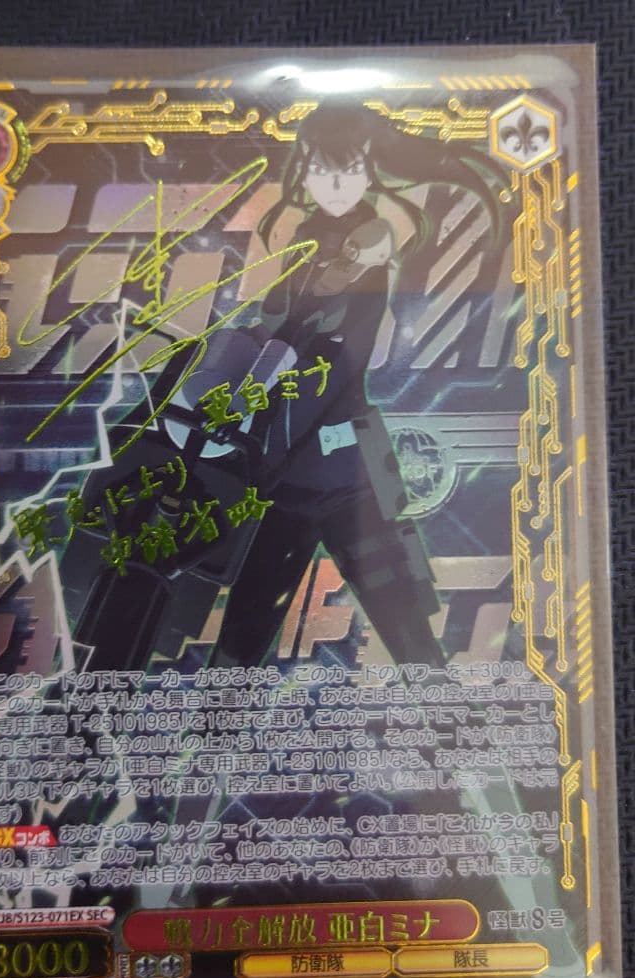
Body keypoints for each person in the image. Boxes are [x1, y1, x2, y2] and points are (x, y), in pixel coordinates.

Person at [207, 103, 507, 669]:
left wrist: (271, 370)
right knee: (249, 618)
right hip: (293, 469)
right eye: (322, 170)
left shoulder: (368, 237)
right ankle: (217, 722)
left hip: (347, 464)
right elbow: (278, 330)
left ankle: (444, 715)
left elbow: (337, 327)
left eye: (348, 170)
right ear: (304, 169)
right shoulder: (307, 239)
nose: (335, 184)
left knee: (402, 617)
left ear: (370, 168)